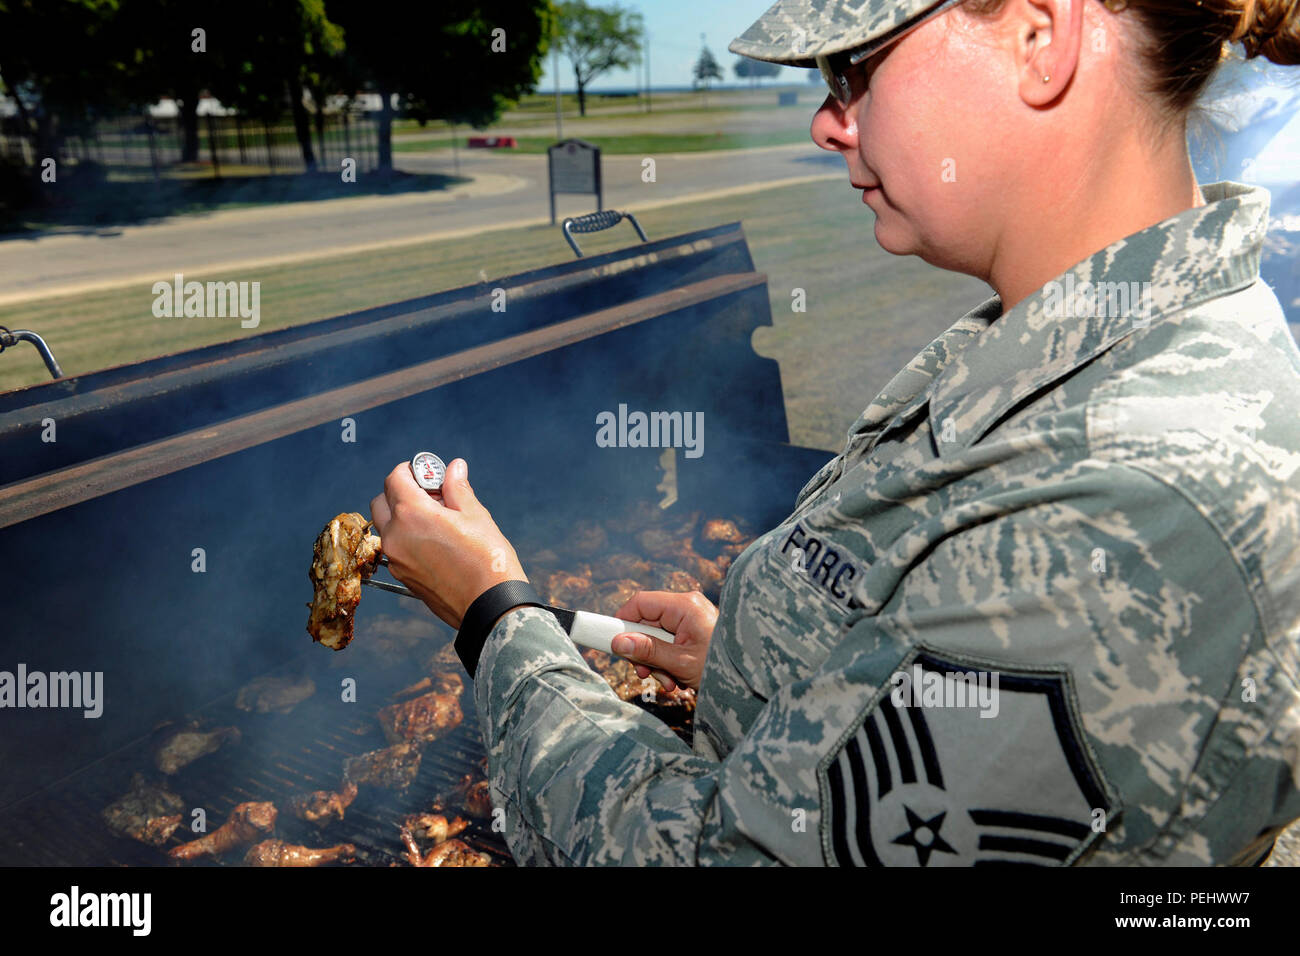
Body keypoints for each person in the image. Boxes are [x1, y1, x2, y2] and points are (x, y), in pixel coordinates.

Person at [370, 0, 1300, 865]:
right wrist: (760, 668)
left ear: (1038, 38)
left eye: (853, 67)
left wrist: (496, 617)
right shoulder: (1067, 343)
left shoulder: (1132, 506)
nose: (826, 119)